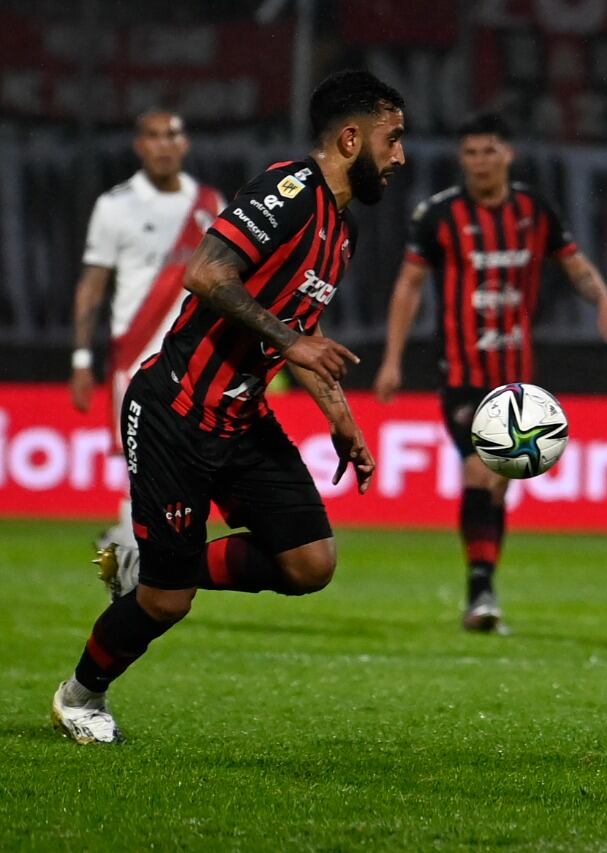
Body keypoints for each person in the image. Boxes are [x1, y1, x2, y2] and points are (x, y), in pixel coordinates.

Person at [50, 69, 406, 744]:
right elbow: (207, 273)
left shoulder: (343, 232)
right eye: (392, 140)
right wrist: (290, 341)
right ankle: (79, 695)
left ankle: (144, 562)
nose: (400, 156)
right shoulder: (288, 189)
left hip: (241, 421)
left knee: (311, 563)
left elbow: (307, 330)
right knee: (165, 601)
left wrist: (341, 416)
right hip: (174, 410)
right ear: (351, 137)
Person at [373, 112, 607, 634]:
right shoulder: (438, 215)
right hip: (462, 372)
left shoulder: (534, 210)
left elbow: (574, 264)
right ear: (461, 159)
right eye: (470, 152)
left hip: (516, 375)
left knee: (498, 486)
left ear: (507, 154)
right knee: (481, 469)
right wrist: (392, 359)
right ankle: (480, 593)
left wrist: (605, 302)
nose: (480, 161)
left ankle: (484, 581)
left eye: (489, 150)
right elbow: (409, 285)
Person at [70, 109, 225, 567]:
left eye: (171, 135)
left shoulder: (209, 204)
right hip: (136, 355)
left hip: (196, 358)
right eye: (153, 136)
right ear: (139, 146)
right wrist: (81, 358)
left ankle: (124, 541)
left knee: (182, 464)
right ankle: (130, 557)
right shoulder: (115, 206)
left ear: (185, 143)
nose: (162, 144)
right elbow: (92, 286)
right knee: (141, 461)